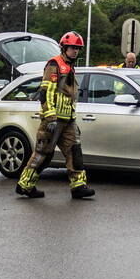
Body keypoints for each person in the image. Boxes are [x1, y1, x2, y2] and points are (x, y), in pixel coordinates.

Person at [16, 31, 95, 199]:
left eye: (78, 48)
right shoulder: (54, 65)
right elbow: (46, 93)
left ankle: (78, 186)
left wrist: (72, 118)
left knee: (75, 152)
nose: (75, 51)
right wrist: (51, 117)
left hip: (68, 121)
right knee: (43, 154)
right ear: (64, 48)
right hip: (53, 121)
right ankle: (25, 185)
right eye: (73, 48)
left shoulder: (71, 67)